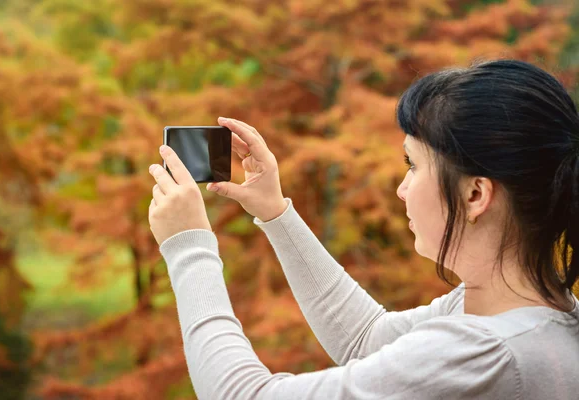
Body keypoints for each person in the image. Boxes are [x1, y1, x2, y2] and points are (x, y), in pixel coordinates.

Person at [147, 59, 579, 399]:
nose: (402, 189)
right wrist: (276, 212)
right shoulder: (527, 309)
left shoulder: (486, 352)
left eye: (413, 165)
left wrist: (189, 248)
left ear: (475, 195)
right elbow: (364, 338)